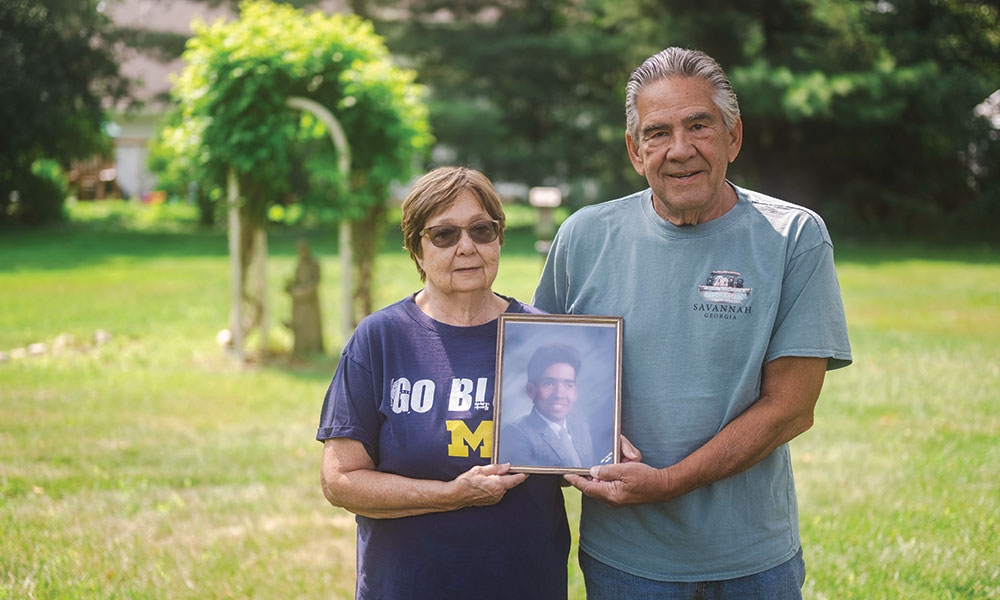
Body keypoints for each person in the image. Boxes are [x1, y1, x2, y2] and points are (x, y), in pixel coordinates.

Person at [532, 47, 853, 599]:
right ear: (635, 150)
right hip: (625, 559)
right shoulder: (583, 237)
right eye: (657, 133)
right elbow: (536, 379)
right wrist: (574, 445)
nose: (680, 150)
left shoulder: (793, 238)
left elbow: (791, 409)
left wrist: (669, 483)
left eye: (699, 126)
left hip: (753, 559)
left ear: (734, 137)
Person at [316, 166, 569, 599]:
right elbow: (340, 481)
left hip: (523, 583)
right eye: (445, 235)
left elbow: (569, 451)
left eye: (482, 230)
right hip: (406, 585)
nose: (467, 247)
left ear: (500, 238)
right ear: (416, 250)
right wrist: (451, 495)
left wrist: (602, 450)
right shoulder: (381, 338)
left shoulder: (543, 337)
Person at [500, 342, 595, 469]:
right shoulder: (516, 434)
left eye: (568, 385)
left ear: (575, 392)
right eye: (549, 383)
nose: (559, 394)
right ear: (531, 390)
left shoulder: (580, 424)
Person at [284, 239, 323, 356]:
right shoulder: (299, 264)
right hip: (299, 303)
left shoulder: (314, 263)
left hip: (310, 302)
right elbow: (297, 280)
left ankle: (314, 349)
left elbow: (314, 282)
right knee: (299, 326)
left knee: (312, 327)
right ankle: (300, 349)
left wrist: (302, 291)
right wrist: (290, 287)